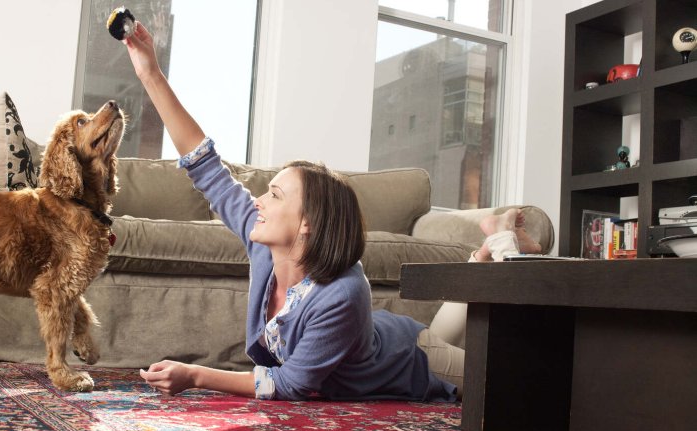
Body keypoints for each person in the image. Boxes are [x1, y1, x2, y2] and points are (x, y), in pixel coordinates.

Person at [123, 22, 541, 401]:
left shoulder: (342, 291)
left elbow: (294, 385)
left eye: (274, 195)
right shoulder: (266, 246)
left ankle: (502, 242)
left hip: (410, 361)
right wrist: (150, 73)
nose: (258, 201)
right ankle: (483, 255)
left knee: (516, 382)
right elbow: (206, 168)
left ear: (307, 224)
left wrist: (197, 376)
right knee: (438, 332)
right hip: (384, 338)